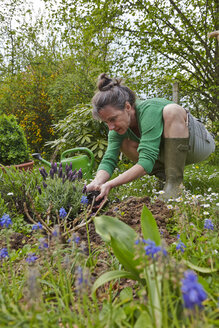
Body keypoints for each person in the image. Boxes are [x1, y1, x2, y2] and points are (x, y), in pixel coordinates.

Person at [86, 73, 215, 203]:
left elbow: (146, 161)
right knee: (124, 142)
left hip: (199, 143)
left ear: (127, 107)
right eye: (106, 122)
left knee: (172, 111)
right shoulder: (117, 129)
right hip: (172, 151)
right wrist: (96, 182)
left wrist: (110, 184)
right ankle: (166, 179)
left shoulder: (148, 110)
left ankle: (174, 184)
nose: (111, 127)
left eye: (113, 119)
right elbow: (109, 159)